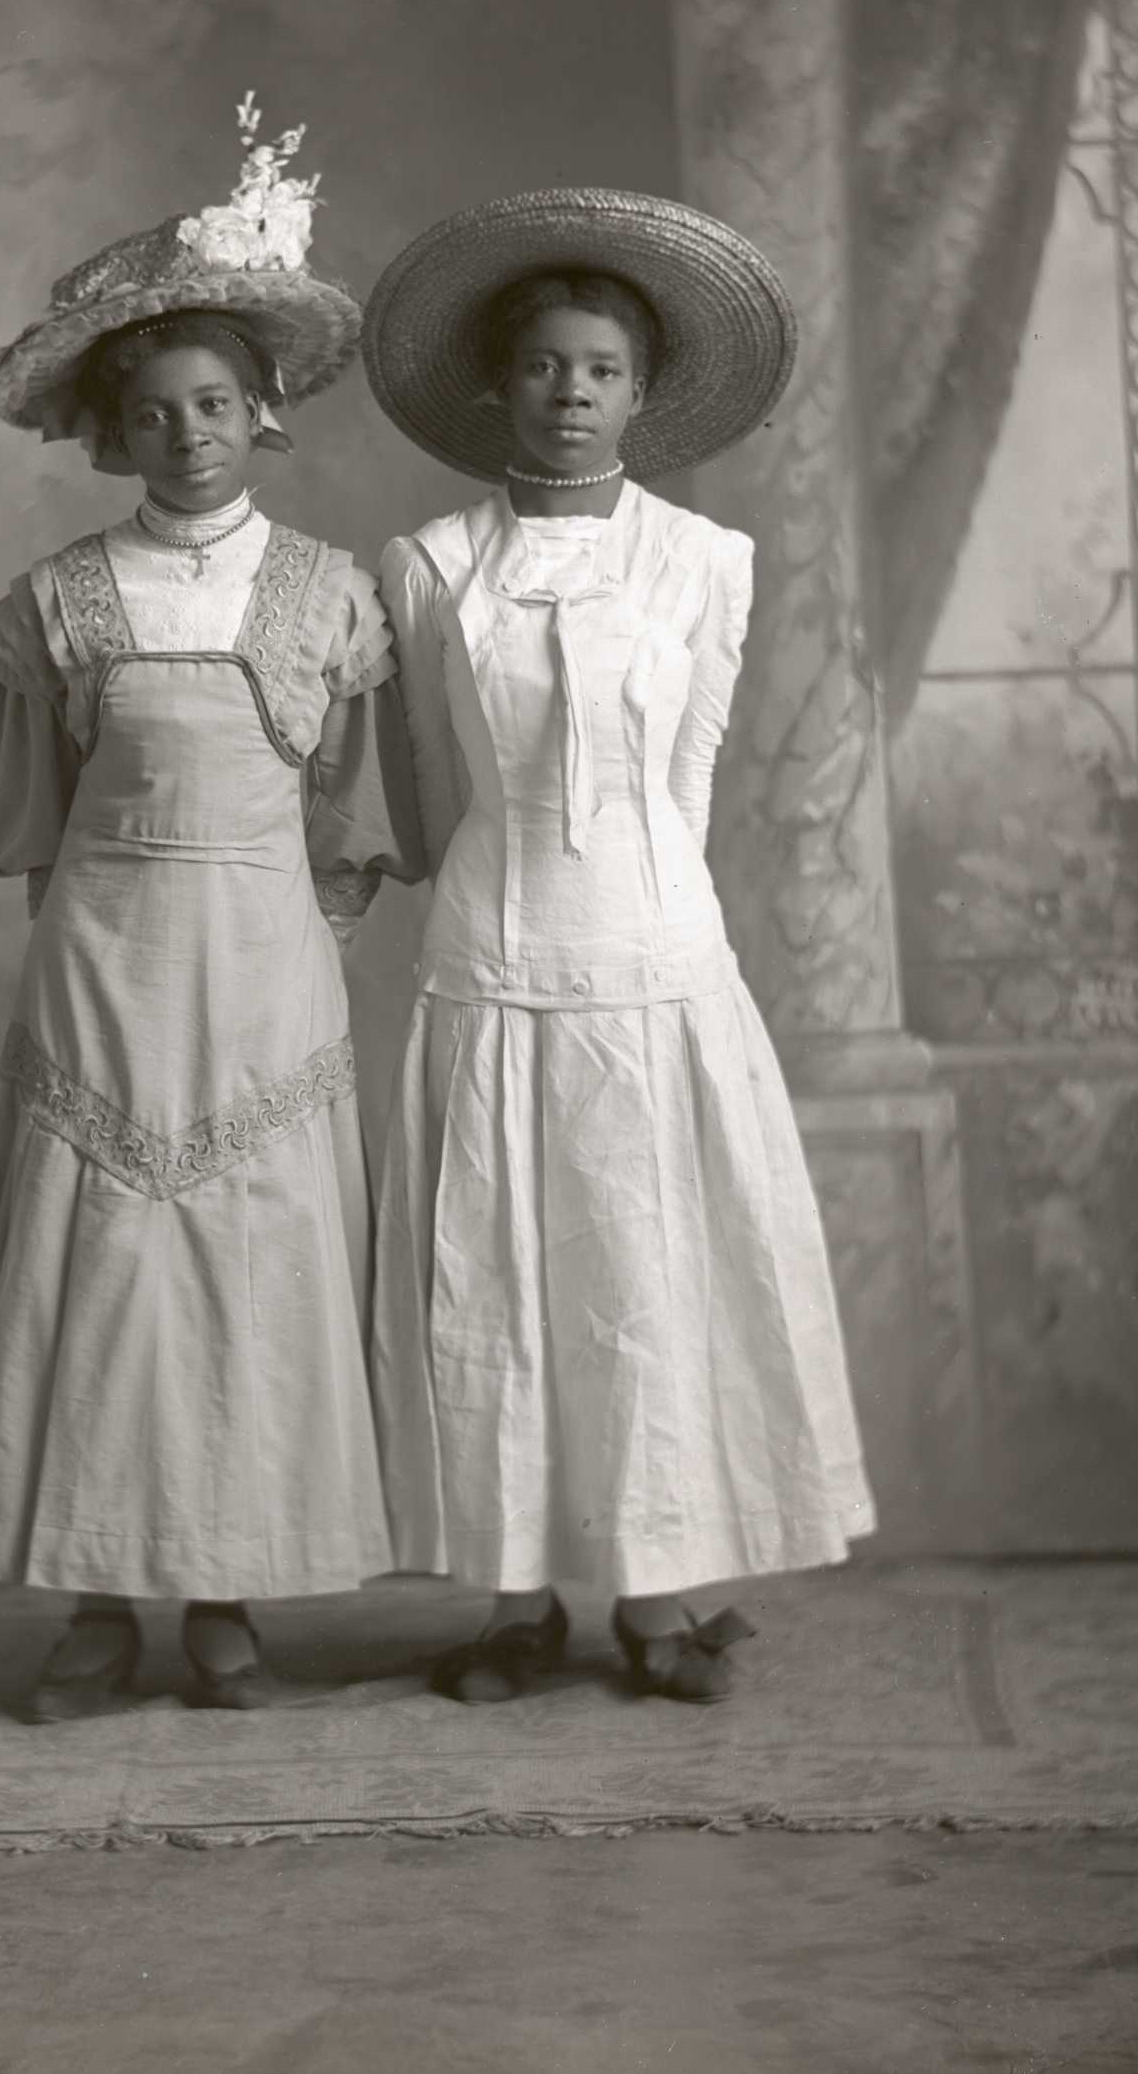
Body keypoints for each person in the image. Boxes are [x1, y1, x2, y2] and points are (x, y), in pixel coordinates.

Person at [0, 102, 417, 1720]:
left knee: (250, 1273)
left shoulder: (334, 594)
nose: (186, 431)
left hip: (264, 961)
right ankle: (97, 1603)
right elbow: (35, 828)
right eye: (151, 411)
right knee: (103, 1265)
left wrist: (303, 927)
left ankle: (228, 1600)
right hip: (106, 961)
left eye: (212, 403)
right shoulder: (56, 601)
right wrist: (82, 943)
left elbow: (351, 809)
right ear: (112, 436)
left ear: (263, 414)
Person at [361, 188, 876, 1704]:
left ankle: (657, 1596)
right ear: (497, 387)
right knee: (497, 1277)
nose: (571, 392)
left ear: (644, 393)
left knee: (646, 1271)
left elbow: (694, 778)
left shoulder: (706, 565)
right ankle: (517, 1602)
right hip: (492, 953)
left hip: (653, 952)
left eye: (599, 368)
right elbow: (439, 789)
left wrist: (648, 920)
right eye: (543, 367)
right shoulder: (435, 565)